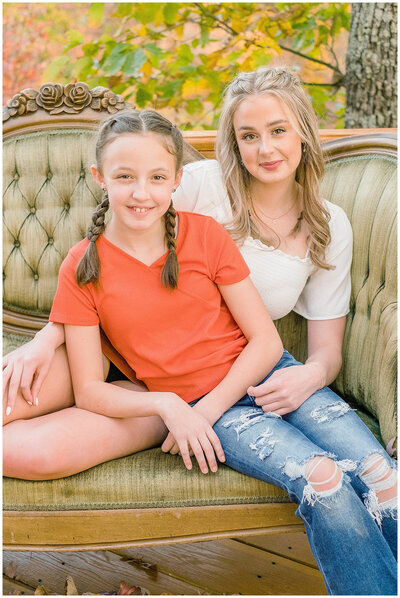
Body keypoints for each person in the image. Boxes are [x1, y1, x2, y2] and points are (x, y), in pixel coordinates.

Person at [3, 68, 397, 595]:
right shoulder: (191, 191)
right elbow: (123, 232)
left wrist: (285, 384)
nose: (143, 192)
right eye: (248, 136)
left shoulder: (221, 232)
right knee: (323, 479)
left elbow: (272, 344)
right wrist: (49, 340)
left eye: (278, 130)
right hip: (184, 392)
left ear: (303, 130)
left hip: (261, 374)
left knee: (383, 476)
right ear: (101, 177)